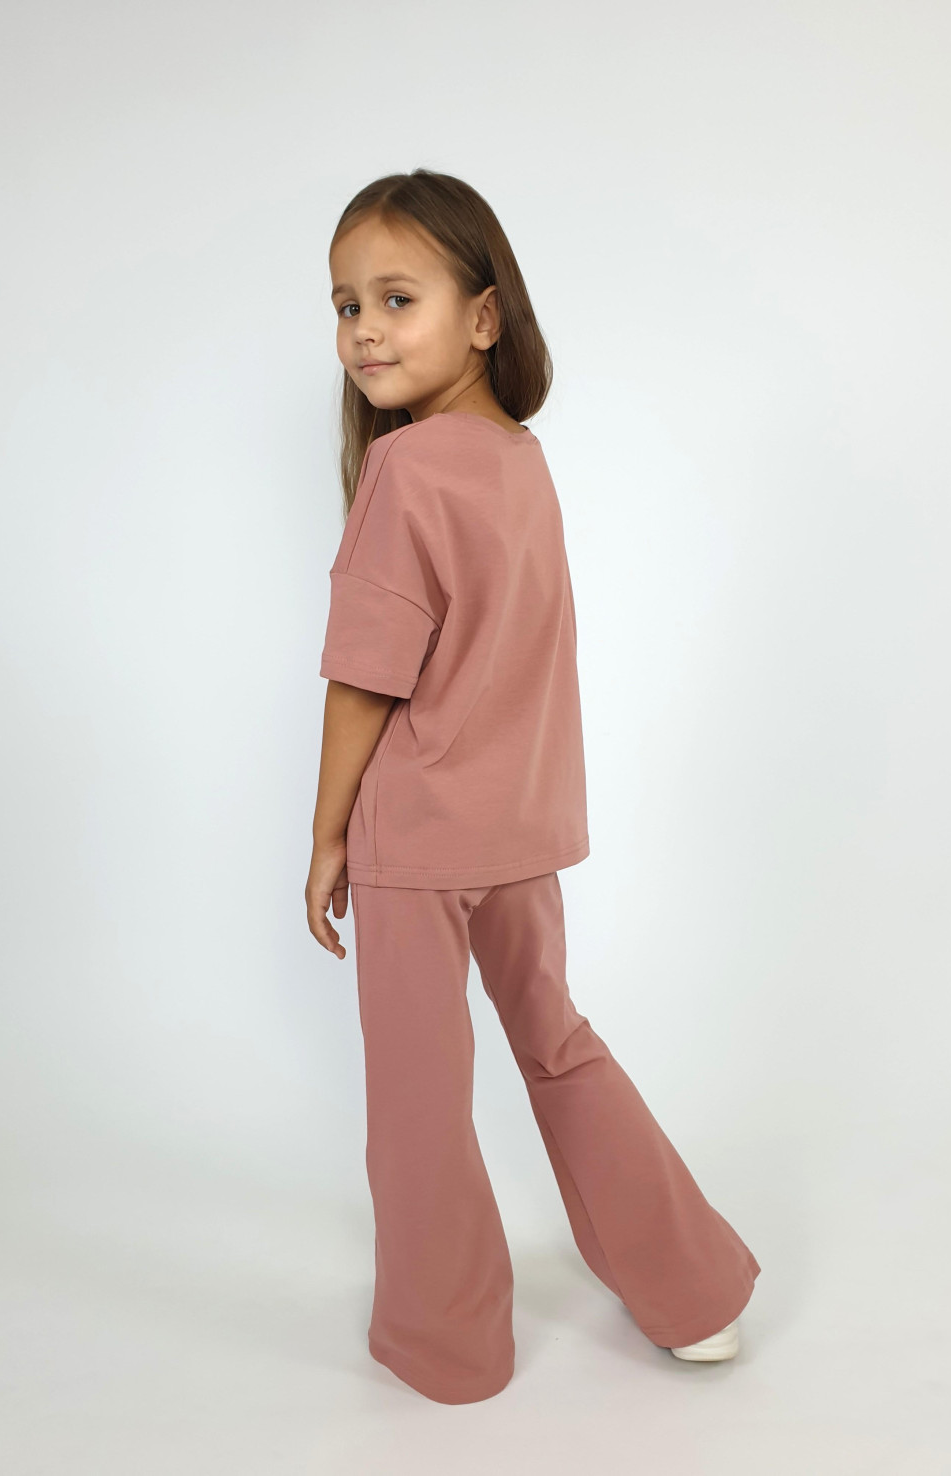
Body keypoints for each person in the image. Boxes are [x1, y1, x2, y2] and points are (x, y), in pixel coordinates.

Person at [307, 168, 760, 1405]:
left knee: (419, 1099)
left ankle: (446, 1345)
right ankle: (696, 1292)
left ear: (483, 316)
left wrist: (328, 833)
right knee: (557, 1044)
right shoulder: (521, 460)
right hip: (520, 827)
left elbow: (365, 679)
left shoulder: (405, 472)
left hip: (420, 837)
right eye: (345, 305)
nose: (365, 330)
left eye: (396, 298)